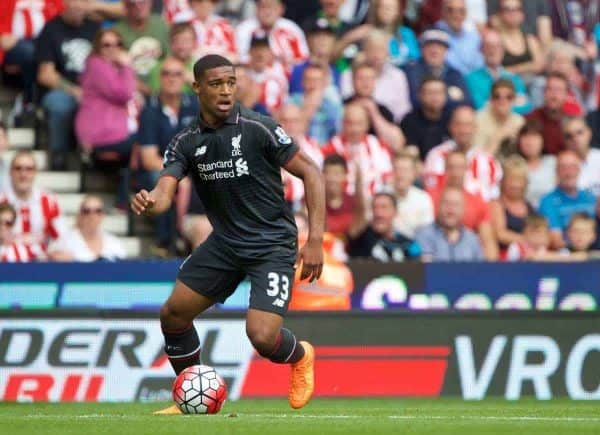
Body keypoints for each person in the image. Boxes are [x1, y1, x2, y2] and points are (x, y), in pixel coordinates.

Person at [130, 54, 324, 414]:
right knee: (173, 314)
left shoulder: (258, 127)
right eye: (216, 84)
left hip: (271, 244)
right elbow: (165, 191)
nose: (225, 91)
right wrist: (151, 201)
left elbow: (311, 173)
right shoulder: (186, 141)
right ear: (197, 88)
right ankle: (190, 392)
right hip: (225, 244)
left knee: (262, 337)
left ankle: (301, 355)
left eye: (231, 83)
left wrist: (314, 240)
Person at [136, 57, 199, 251]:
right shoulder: (150, 111)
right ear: (159, 79)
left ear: (185, 78)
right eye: (166, 74)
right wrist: (178, 173)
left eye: (177, 74)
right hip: (163, 168)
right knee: (162, 181)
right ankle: (165, 242)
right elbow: (148, 158)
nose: (172, 78)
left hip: (196, 168)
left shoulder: (196, 107)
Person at [36, 0, 101, 170]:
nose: (78, 6)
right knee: (60, 104)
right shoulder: (51, 29)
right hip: (62, 89)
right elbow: (45, 74)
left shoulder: (95, 29)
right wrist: (74, 91)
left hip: (93, 89)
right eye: (74, 1)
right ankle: (58, 153)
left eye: (83, 2)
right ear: (64, 3)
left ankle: (99, 157)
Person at [75, 29, 137, 165]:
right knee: (146, 143)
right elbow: (124, 94)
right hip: (102, 135)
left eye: (118, 44)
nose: (113, 49)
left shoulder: (113, 68)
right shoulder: (96, 64)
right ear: (98, 48)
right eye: (107, 45)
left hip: (113, 132)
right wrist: (127, 66)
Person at [424, 105, 502, 201]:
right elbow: (432, 193)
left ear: (475, 128)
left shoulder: (489, 161)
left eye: (468, 125)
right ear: (450, 127)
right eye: (458, 124)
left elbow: (494, 200)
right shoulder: (436, 156)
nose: (463, 130)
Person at [0, 0, 63, 115]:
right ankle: (30, 101)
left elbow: (61, 20)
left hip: (44, 44)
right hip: (12, 45)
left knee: (42, 53)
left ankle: (32, 102)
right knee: (32, 53)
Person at [322, 103, 393, 197]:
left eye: (359, 123)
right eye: (350, 123)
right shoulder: (331, 148)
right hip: (344, 204)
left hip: (376, 202)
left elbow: (388, 177)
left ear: (367, 124)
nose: (354, 129)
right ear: (343, 124)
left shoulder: (378, 146)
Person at [0, 150, 65, 250]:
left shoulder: (49, 201)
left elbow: (61, 237)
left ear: (35, 172)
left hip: (41, 263)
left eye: (29, 169)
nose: (23, 174)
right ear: (10, 172)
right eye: (18, 168)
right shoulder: (1, 200)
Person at [538, 150, 596, 248]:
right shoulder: (548, 201)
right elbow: (556, 241)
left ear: (579, 170)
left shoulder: (591, 198)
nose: (568, 172)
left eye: (572, 167)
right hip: (566, 258)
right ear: (556, 171)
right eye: (563, 168)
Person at [465, 28, 532, 114]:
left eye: (497, 46)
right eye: (488, 46)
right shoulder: (471, 79)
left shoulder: (514, 79)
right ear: (481, 50)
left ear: (503, 50)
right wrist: (511, 104)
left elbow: (526, 107)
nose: (493, 50)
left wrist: (492, 104)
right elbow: (480, 107)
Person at [403, 29, 471, 108]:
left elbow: (467, 102)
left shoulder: (454, 73)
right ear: (421, 49)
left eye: (439, 46)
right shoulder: (412, 70)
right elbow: (416, 99)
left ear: (446, 50)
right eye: (429, 45)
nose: (434, 50)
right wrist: (449, 95)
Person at [343, 62, 404, 151]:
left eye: (369, 79)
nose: (365, 83)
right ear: (352, 81)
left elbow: (396, 144)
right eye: (361, 78)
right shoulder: (342, 106)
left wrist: (374, 113)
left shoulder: (383, 110)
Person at [113, 0, 169, 95]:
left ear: (150, 3)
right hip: (131, 89)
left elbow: (170, 59)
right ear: (126, 6)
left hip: (160, 86)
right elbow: (113, 70)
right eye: (133, 4)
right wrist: (137, 85)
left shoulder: (161, 25)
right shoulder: (117, 32)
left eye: (143, 2)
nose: (139, 7)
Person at [415, 186, 485, 262]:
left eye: (456, 204)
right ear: (438, 206)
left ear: (463, 209)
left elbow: (480, 271)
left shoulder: (472, 240)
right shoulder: (423, 236)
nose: (451, 209)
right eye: (446, 203)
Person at [348, 191, 421, 262]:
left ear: (395, 212)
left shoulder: (407, 243)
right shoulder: (361, 239)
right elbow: (359, 213)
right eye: (374, 208)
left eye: (384, 207)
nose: (378, 213)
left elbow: (419, 267)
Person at [48, 195, 126, 261]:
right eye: (86, 211)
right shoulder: (65, 241)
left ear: (103, 215)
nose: (92, 216)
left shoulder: (113, 242)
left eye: (98, 211)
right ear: (80, 215)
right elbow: (49, 258)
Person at [235, 0, 308, 68]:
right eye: (263, 7)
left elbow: (303, 59)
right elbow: (240, 60)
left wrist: (282, 60)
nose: (267, 12)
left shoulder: (291, 28)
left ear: (281, 9)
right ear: (256, 9)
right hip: (255, 76)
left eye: (272, 7)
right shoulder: (244, 29)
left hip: (288, 76)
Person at [489, 155, 534, 258]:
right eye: (511, 179)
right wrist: (528, 240)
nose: (515, 184)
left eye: (519, 179)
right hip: (504, 259)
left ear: (526, 182)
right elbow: (500, 234)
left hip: (529, 257)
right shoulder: (496, 204)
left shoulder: (530, 206)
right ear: (503, 181)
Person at [289, 63, 342, 145]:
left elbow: (339, 132)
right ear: (302, 81)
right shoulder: (292, 101)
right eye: (309, 80)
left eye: (317, 80)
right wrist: (309, 107)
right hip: (297, 148)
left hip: (323, 150)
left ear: (324, 83)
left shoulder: (332, 106)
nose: (312, 84)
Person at [399, 76, 452, 160]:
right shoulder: (409, 121)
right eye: (430, 93)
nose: (435, 97)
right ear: (420, 95)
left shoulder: (452, 118)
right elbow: (410, 153)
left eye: (439, 92)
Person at [494, 0, 544, 83]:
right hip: (505, 84)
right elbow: (496, 71)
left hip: (531, 82)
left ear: (522, 14)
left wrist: (513, 69)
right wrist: (528, 66)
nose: (512, 13)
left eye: (517, 9)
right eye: (507, 9)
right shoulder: (496, 39)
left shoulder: (529, 39)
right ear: (500, 13)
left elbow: (539, 65)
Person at [473, 79, 524, 156]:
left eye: (508, 97)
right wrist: (499, 137)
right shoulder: (478, 119)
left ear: (514, 100)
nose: (502, 101)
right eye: (497, 96)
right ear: (490, 99)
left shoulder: (519, 121)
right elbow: (480, 160)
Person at [288, 18, 341, 94]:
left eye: (327, 36)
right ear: (308, 40)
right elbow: (297, 98)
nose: (322, 39)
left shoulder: (337, 72)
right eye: (317, 35)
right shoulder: (297, 70)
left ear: (334, 41)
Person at [526, 72, 573, 155]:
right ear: (544, 92)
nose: (553, 94)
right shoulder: (531, 118)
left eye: (558, 90)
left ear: (566, 94)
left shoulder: (572, 121)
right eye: (549, 89)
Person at [392, 151, 434, 238]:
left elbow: (427, 232)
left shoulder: (423, 199)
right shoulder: (381, 195)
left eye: (405, 170)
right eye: (397, 169)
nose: (400, 174)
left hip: (414, 246)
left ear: (414, 174)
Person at [434, 0, 483, 76]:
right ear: (442, 12)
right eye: (450, 10)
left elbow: (479, 63)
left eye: (461, 11)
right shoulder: (434, 35)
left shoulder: (474, 37)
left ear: (466, 14)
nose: (456, 15)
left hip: (472, 81)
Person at [147, 22, 197, 95]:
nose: (181, 46)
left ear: (194, 42)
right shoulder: (159, 68)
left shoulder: (200, 67)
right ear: (170, 43)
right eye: (177, 41)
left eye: (186, 40)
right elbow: (156, 95)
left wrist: (192, 82)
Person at [516, 122, 556, 207]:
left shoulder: (553, 162)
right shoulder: (514, 166)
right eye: (525, 137)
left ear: (543, 141)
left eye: (534, 136)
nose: (529, 142)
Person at [562, 116, 600, 197]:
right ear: (564, 140)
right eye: (569, 136)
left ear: (589, 133)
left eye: (579, 132)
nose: (575, 138)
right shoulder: (562, 165)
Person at [323, 154, 355, 240]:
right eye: (327, 173)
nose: (332, 178)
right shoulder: (313, 201)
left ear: (345, 175)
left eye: (336, 174)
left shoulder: (353, 202)